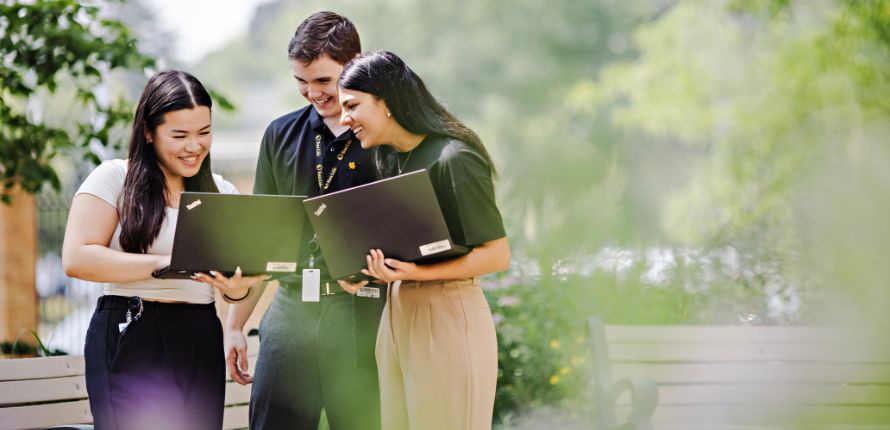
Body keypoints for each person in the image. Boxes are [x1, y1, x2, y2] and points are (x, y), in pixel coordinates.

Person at [61, 70, 263, 430]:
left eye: (204, 133)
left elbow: (236, 289)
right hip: (131, 327)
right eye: (180, 135)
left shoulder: (222, 192)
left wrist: (236, 287)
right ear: (149, 133)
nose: (194, 146)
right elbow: (77, 258)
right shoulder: (113, 178)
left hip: (200, 332)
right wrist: (165, 263)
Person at [224, 11, 384, 430]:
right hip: (290, 311)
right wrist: (236, 326)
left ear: (356, 63)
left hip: (361, 314)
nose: (312, 93)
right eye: (301, 81)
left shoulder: (386, 139)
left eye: (323, 81)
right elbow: (263, 241)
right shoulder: (279, 135)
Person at [337, 50, 511, 430]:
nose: (344, 118)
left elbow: (497, 254)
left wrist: (416, 272)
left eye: (352, 105)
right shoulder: (387, 159)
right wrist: (362, 269)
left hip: (446, 312)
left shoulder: (454, 158)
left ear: (384, 101)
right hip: (397, 314)